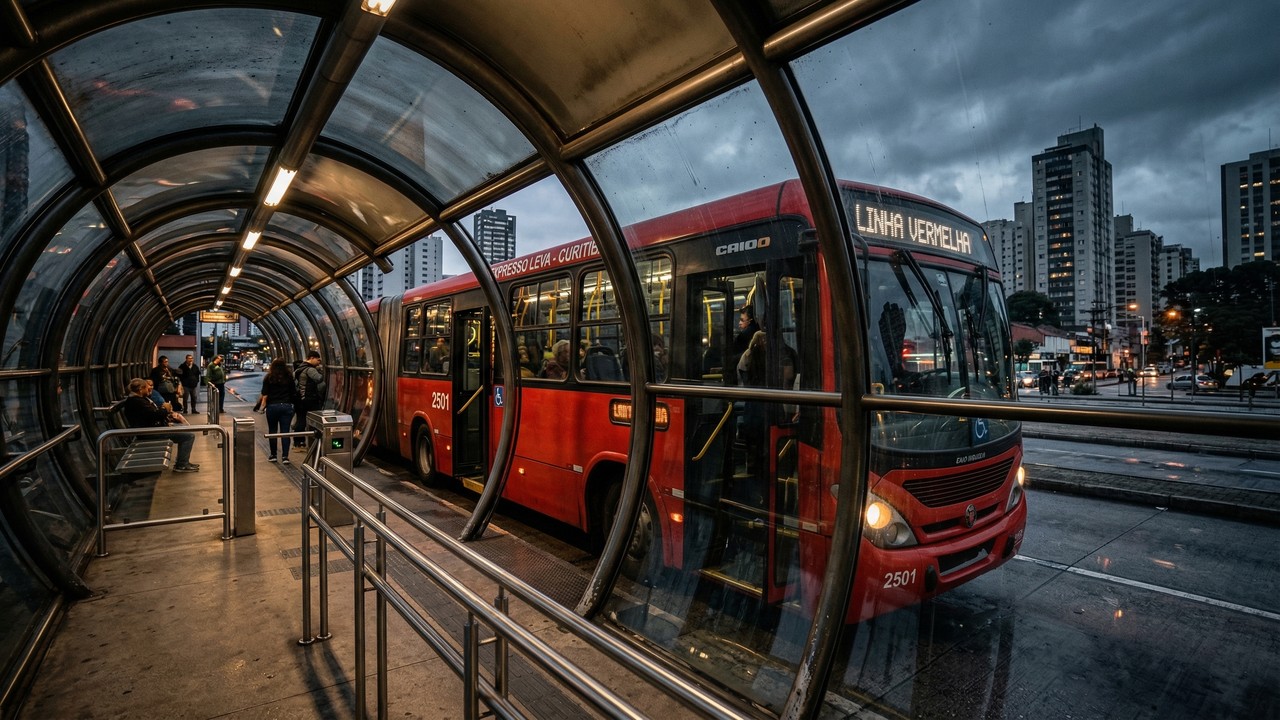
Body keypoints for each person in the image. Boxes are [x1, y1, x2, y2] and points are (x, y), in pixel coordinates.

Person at [121, 377, 198, 473]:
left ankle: (182, 461)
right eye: (146, 388)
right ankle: (182, 465)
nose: (149, 390)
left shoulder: (139, 400)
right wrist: (165, 409)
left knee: (185, 429)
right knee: (188, 436)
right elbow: (153, 415)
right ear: (140, 389)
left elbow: (151, 414)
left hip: (152, 428)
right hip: (149, 432)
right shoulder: (137, 402)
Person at [254, 358, 298, 464]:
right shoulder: (289, 377)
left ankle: (273, 455)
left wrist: (261, 407)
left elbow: (265, 394)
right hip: (286, 406)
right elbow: (293, 393)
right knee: (285, 432)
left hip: (272, 407)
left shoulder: (269, 377)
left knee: (272, 431)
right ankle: (285, 457)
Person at [291, 350, 326, 453]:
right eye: (318, 360)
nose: (319, 363)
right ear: (311, 358)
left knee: (300, 421)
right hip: (309, 400)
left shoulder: (298, 369)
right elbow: (319, 379)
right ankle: (314, 443)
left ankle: (298, 443)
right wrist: (320, 371)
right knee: (314, 421)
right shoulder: (310, 369)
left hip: (299, 399)